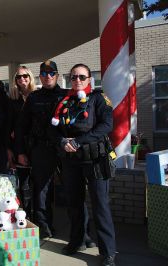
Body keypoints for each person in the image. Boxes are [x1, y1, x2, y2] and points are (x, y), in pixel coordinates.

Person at [52, 63, 116, 266]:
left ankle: (108, 252)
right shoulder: (65, 100)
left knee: (101, 206)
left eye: (81, 77)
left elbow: (106, 125)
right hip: (71, 161)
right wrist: (62, 141)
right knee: (74, 204)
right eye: (73, 77)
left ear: (89, 79)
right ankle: (77, 241)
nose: (77, 80)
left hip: (95, 158)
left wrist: (79, 141)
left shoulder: (99, 98)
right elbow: (53, 128)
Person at [15, 60, 66, 239]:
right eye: (44, 74)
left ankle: (81, 233)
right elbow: (21, 127)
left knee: (72, 189)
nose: (47, 77)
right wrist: (21, 152)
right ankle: (44, 225)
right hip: (41, 149)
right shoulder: (33, 98)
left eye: (51, 73)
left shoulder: (67, 96)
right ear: (40, 77)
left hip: (64, 149)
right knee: (41, 190)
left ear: (57, 75)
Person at [7, 66, 37, 217]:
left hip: (38, 146)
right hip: (19, 146)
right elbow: (8, 126)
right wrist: (11, 150)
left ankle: (40, 218)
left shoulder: (38, 96)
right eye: (18, 77)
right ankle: (27, 216)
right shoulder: (12, 101)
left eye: (25, 76)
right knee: (24, 185)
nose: (22, 79)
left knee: (39, 185)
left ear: (30, 77)